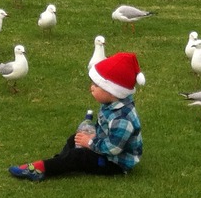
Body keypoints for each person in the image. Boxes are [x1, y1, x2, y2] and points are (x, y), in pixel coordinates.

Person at [9, 51, 143, 181]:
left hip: (115, 163)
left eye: (97, 85)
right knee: (74, 139)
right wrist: (91, 135)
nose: (92, 88)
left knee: (78, 156)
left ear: (113, 91)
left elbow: (113, 148)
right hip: (104, 148)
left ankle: (41, 170)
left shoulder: (122, 120)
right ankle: (59, 162)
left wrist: (90, 142)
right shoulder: (112, 103)